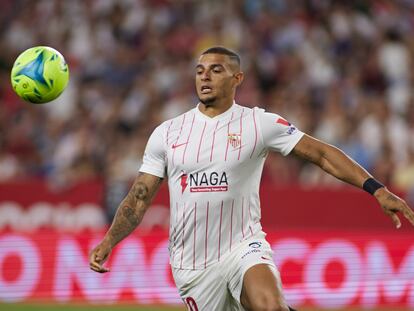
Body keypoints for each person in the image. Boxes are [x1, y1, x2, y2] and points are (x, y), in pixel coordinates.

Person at [89, 47, 414, 311]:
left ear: (237, 78)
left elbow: (321, 153)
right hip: (192, 265)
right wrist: (110, 240)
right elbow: (139, 197)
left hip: (243, 245)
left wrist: (376, 188)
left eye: (216, 69)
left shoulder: (259, 123)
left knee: (269, 305)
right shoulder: (167, 133)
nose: (205, 76)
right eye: (200, 70)